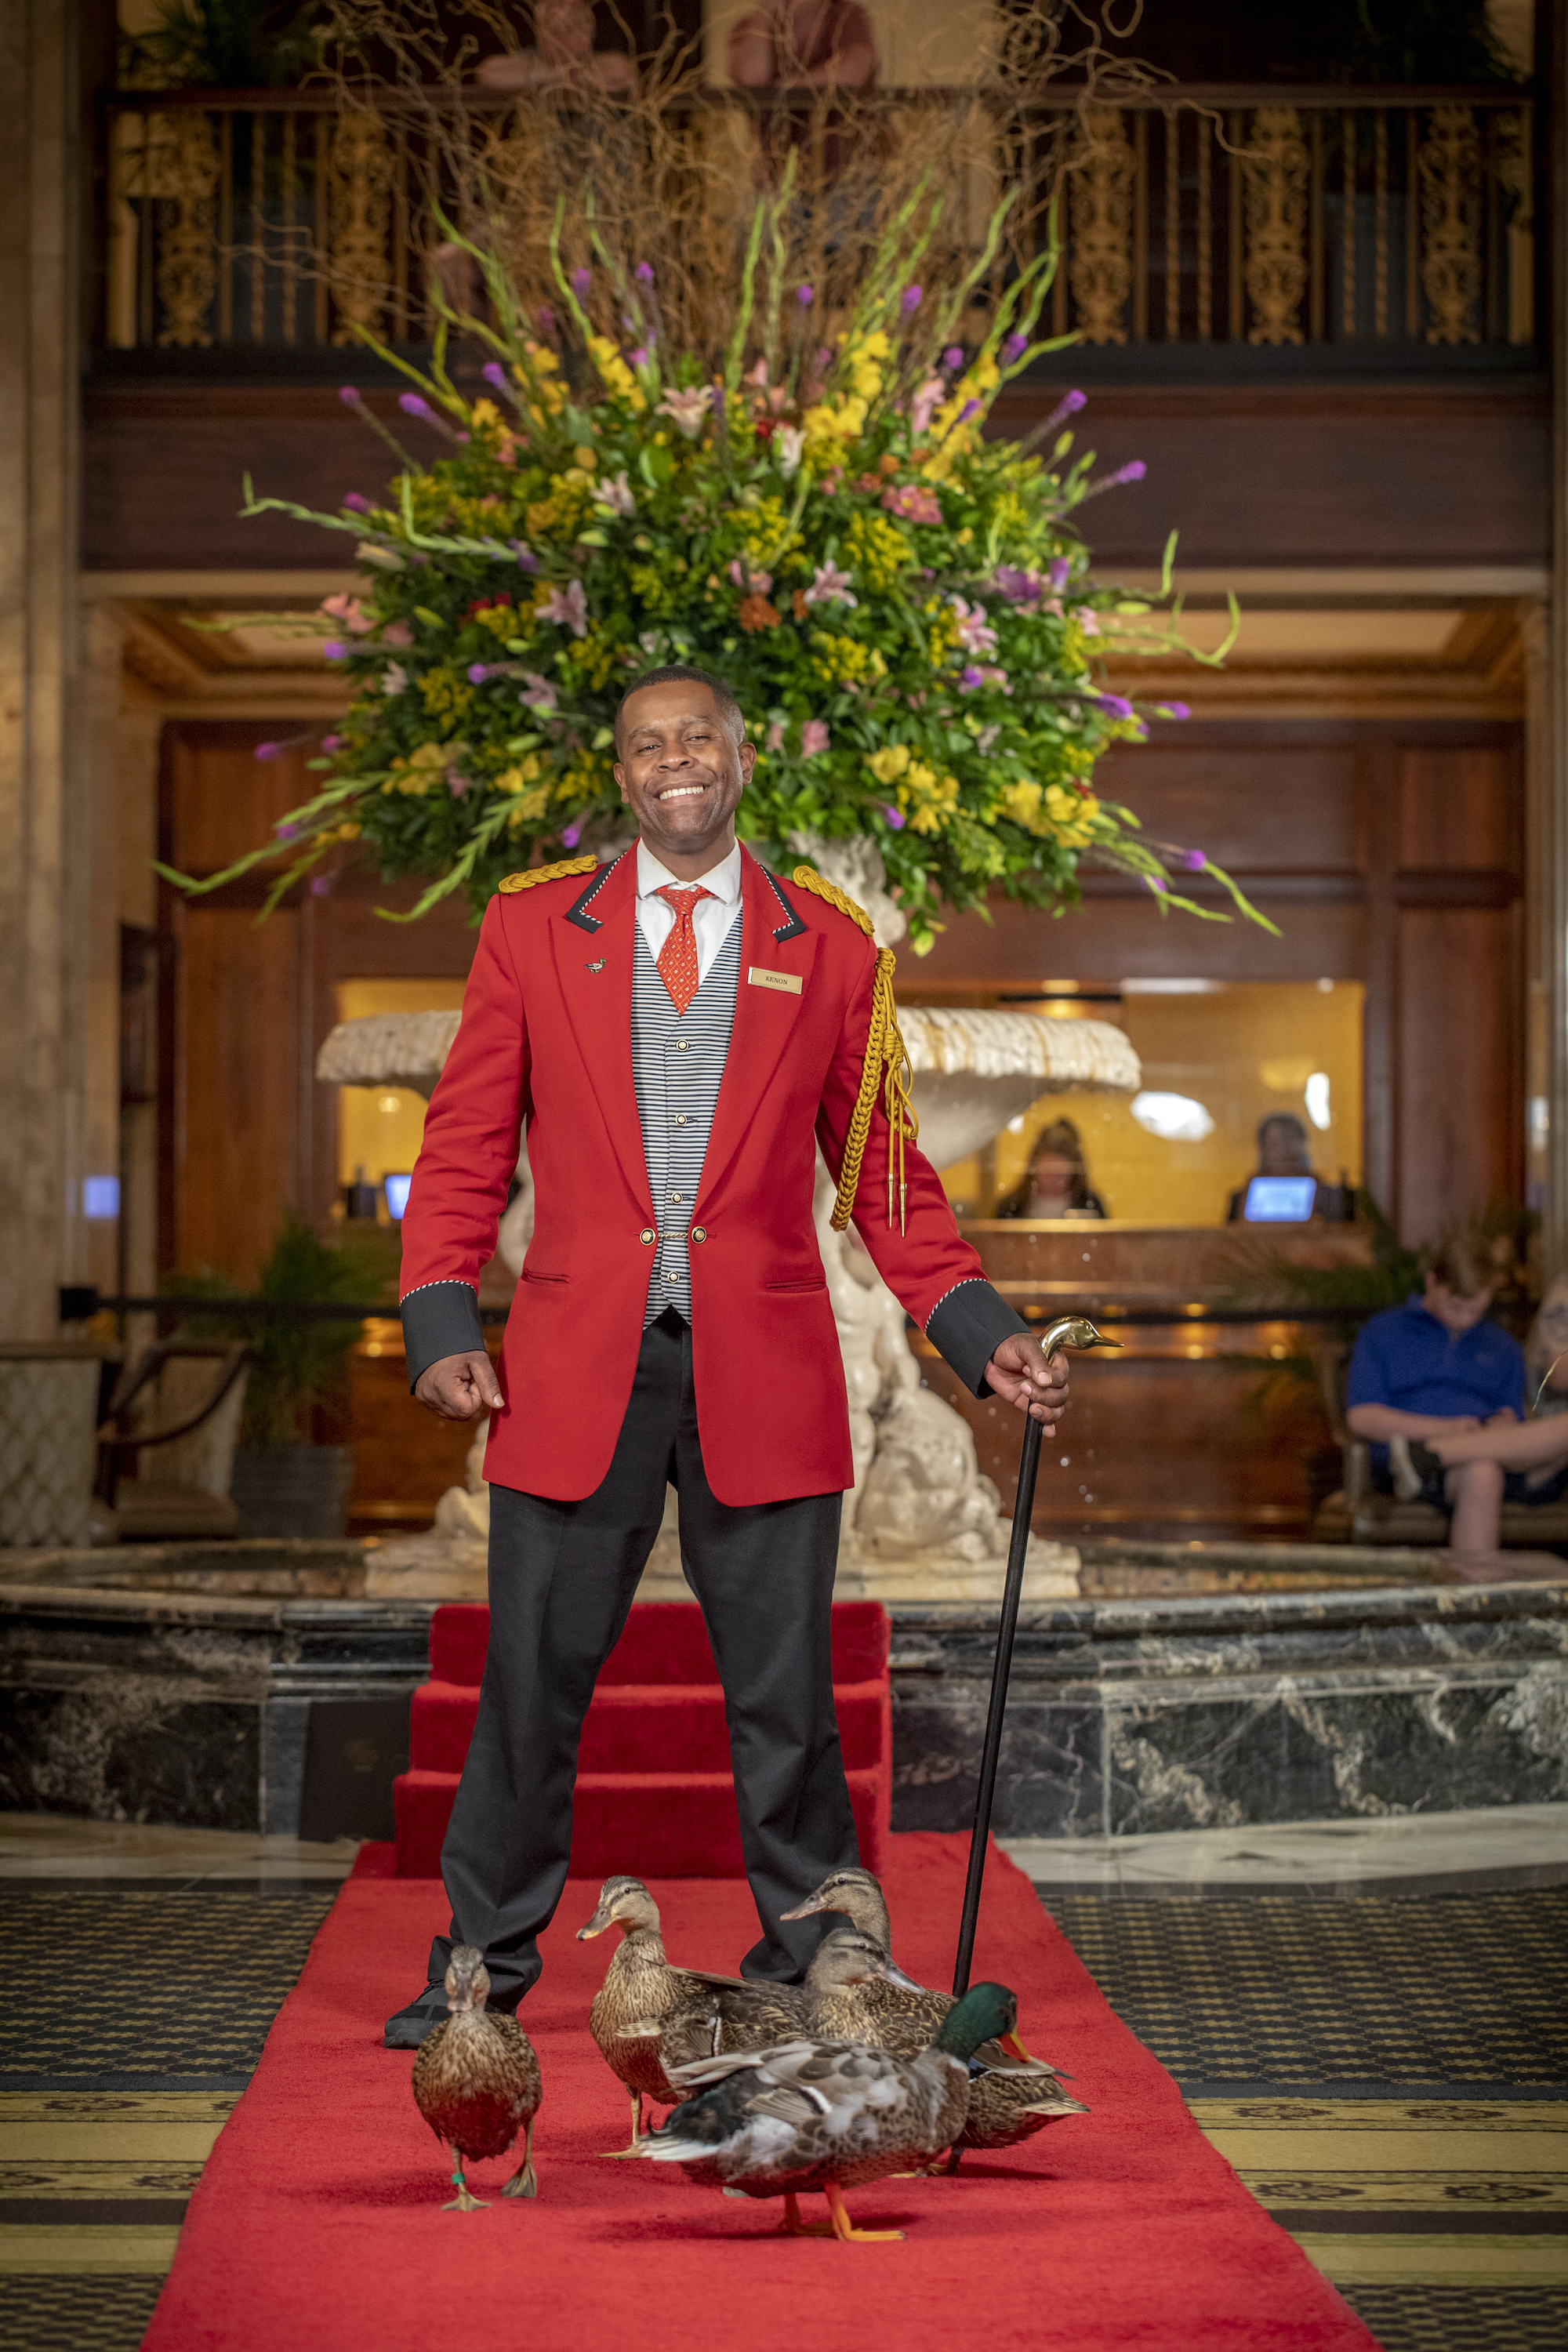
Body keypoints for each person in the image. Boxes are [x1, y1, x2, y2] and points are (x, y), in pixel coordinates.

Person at [382, 662, 1071, 2048]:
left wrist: (980, 1335)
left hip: (763, 1371)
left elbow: (887, 1180)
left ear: (741, 760)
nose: (674, 760)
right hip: (578, 1369)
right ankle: (482, 1969)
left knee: (785, 1701)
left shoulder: (833, 947)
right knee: (529, 1688)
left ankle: (814, 1955)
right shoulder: (528, 932)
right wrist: (442, 1317)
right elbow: (462, 1146)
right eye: (648, 743)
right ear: (622, 774)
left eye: (698, 737)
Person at [1345, 1232, 1568, 1554]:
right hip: (1416, 1473)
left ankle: (1432, 1453)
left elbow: (1514, 1424)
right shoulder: (1384, 1332)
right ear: (1432, 1282)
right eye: (1456, 1306)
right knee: (1481, 1470)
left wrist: (1508, 1428)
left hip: (1505, 1460)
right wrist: (1446, 1429)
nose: (1465, 1319)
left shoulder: (1501, 1345)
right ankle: (1475, 1600)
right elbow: (1362, 1418)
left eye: (1477, 1309)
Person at [995, 1117, 1106, 1220]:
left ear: (1073, 1173)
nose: (1052, 1181)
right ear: (1035, 1170)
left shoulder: (1089, 1204)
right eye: (1047, 1173)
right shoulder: (1012, 1206)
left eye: (1059, 1175)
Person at [1226, 1111, 1323, 1222]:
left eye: (1289, 1143)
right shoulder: (1239, 1199)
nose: (1283, 1152)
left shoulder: (1328, 1196)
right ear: (1264, 1149)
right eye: (1276, 1144)